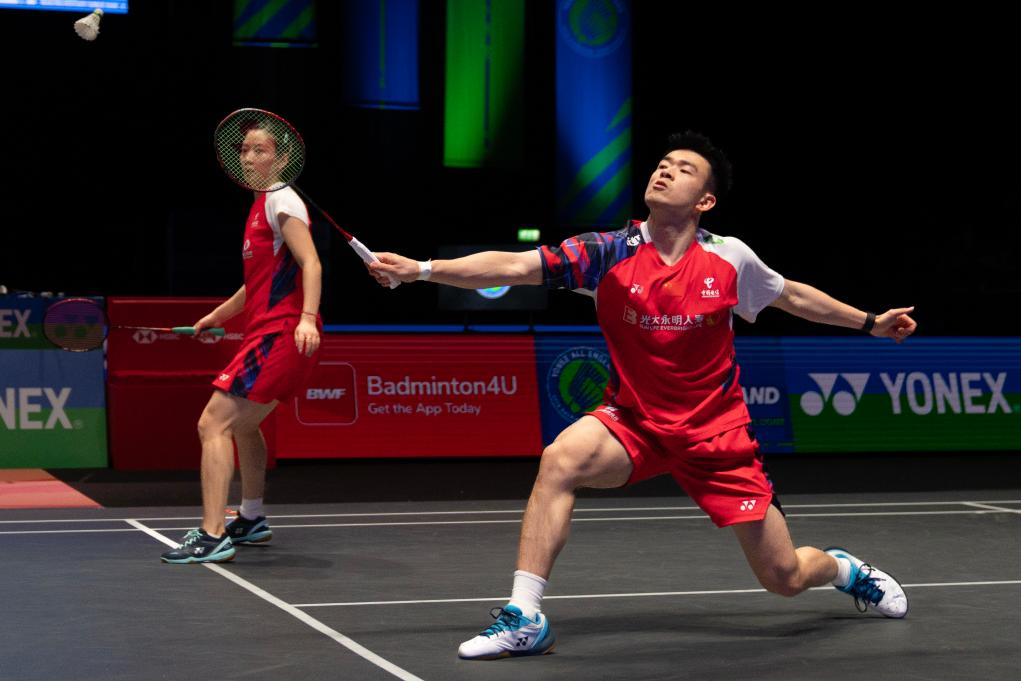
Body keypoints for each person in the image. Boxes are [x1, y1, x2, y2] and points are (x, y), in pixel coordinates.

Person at [367, 131, 918, 659]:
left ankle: (845, 569)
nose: (665, 171)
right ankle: (525, 617)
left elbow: (791, 295)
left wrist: (869, 322)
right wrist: (422, 270)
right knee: (560, 460)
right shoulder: (607, 252)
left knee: (784, 577)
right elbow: (515, 265)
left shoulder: (729, 257)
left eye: (684, 169)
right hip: (635, 423)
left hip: (716, 435)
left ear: (705, 200)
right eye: (662, 164)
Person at [161, 119, 323, 564]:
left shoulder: (282, 199)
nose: (248, 158)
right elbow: (258, 283)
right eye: (244, 150)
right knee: (245, 426)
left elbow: (311, 262)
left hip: (282, 331)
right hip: (269, 330)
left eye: (259, 150)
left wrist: (307, 318)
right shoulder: (261, 205)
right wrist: (216, 316)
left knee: (212, 424)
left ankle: (213, 534)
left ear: (283, 158)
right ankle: (251, 518)